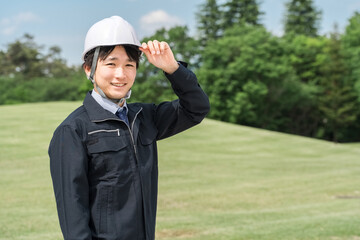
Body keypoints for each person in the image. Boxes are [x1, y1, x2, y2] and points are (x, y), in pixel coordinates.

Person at [49, 16, 210, 240]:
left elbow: (197, 109)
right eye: (111, 64)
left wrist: (173, 69)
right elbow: (72, 210)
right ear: (89, 69)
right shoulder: (73, 130)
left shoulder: (145, 118)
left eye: (129, 65)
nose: (121, 74)